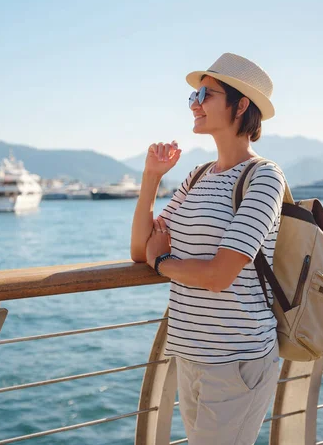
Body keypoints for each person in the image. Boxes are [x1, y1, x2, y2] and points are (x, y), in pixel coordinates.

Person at [131, 53, 285, 444]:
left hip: (236, 360)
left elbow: (220, 275)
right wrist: (150, 179)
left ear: (241, 104)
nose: (194, 103)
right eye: (193, 96)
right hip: (190, 354)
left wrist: (164, 262)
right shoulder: (197, 176)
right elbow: (139, 250)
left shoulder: (264, 178)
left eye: (205, 93)